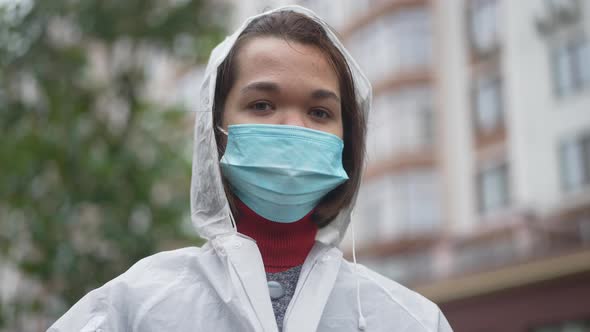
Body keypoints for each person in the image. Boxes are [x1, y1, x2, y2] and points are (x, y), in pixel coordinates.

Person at [49, 5, 453, 332]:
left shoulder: (408, 320)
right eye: (262, 104)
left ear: (347, 140)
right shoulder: (136, 309)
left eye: (319, 111)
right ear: (216, 131)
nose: (293, 127)